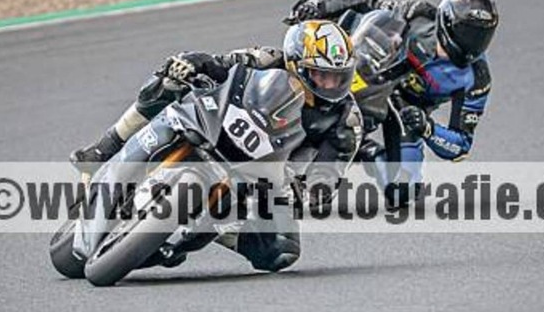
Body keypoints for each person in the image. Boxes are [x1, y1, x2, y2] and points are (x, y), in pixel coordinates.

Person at [70, 20, 362, 272]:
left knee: (280, 251)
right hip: (216, 124)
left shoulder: (346, 121)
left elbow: (328, 174)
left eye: (339, 77)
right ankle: (106, 146)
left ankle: (212, 231)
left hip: (266, 175)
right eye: (321, 75)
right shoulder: (267, 58)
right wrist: (192, 63)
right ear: (295, 63)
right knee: (168, 80)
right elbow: (220, 64)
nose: (330, 84)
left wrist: (304, 192)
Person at [290, 0, 499, 199]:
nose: (473, 43)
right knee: (324, 73)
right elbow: (366, 1)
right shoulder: (419, 14)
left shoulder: (477, 78)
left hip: (407, 111)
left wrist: (427, 128)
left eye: (481, 37)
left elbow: (461, 145)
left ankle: (367, 151)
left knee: (402, 192)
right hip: (371, 75)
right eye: (466, 32)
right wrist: (320, 7)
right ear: (446, 20)